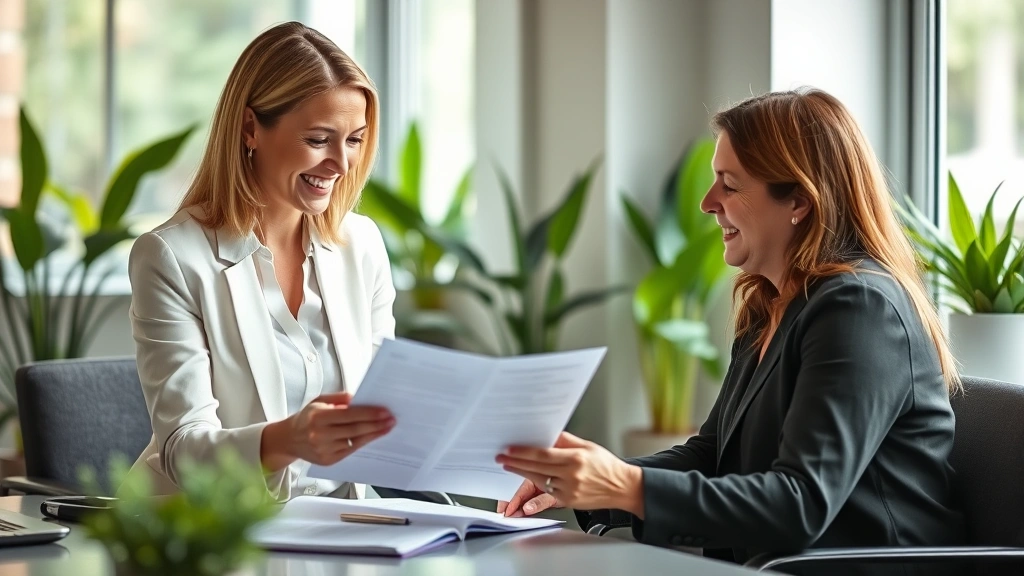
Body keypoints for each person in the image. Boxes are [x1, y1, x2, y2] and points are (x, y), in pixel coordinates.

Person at [496, 88, 967, 574]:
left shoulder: (860, 309)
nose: (706, 202)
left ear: (799, 201)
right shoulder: (772, 302)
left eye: (729, 184)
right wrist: (596, 480)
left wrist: (625, 485)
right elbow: (714, 453)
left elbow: (800, 503)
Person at [124, 22, 396, 501]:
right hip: (207, 537)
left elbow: (388, 414)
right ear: (250, 128)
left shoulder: (363, 245)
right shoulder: (171, 257)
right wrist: (289, 439)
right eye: (318, 139)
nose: (342, 163)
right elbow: (183, 450)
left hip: (341, 534)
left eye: (354, 139)